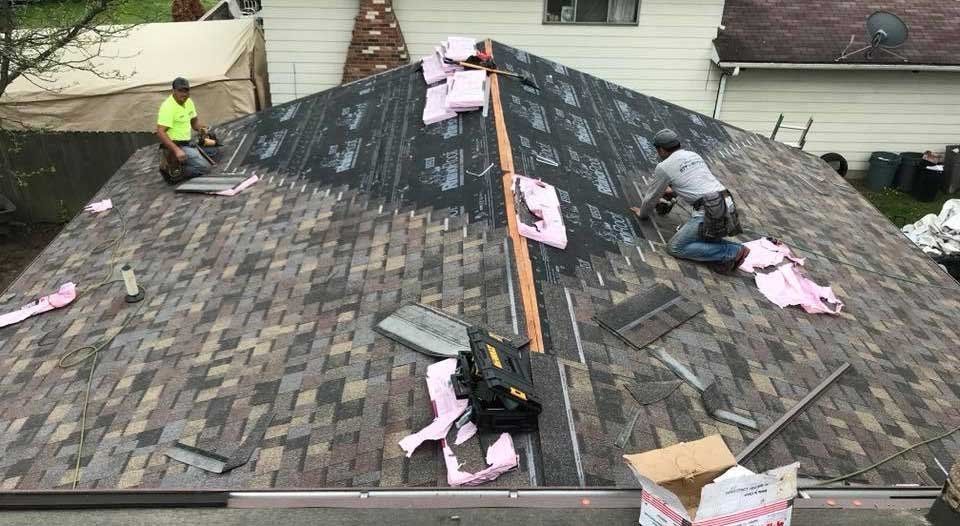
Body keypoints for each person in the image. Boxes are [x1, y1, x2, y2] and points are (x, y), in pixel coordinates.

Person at [632, 129, 749, 273]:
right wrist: (671, 190)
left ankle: (732, 251)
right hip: (726, 201)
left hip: (709, 210)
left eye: (657, 150)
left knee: (675, 247)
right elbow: (695, 182)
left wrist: (642, 213)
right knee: (700, 240)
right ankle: (733, 250)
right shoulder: (693, 155)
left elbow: (651, 198)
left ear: (661, 149)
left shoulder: (664, 167)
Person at [156, 77, 212, 180]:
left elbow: (194, 123)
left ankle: (182, 162)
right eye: (180, 91)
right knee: (205, 168)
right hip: (176, 145)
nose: (184, 94)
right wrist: (177, 150)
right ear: (173, 91)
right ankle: (173, 172)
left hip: (188, 142)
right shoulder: (168, 107)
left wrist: (201, 129)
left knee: (214, 151)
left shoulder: (189, 102)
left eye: (186, 90)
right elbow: (160, 132)